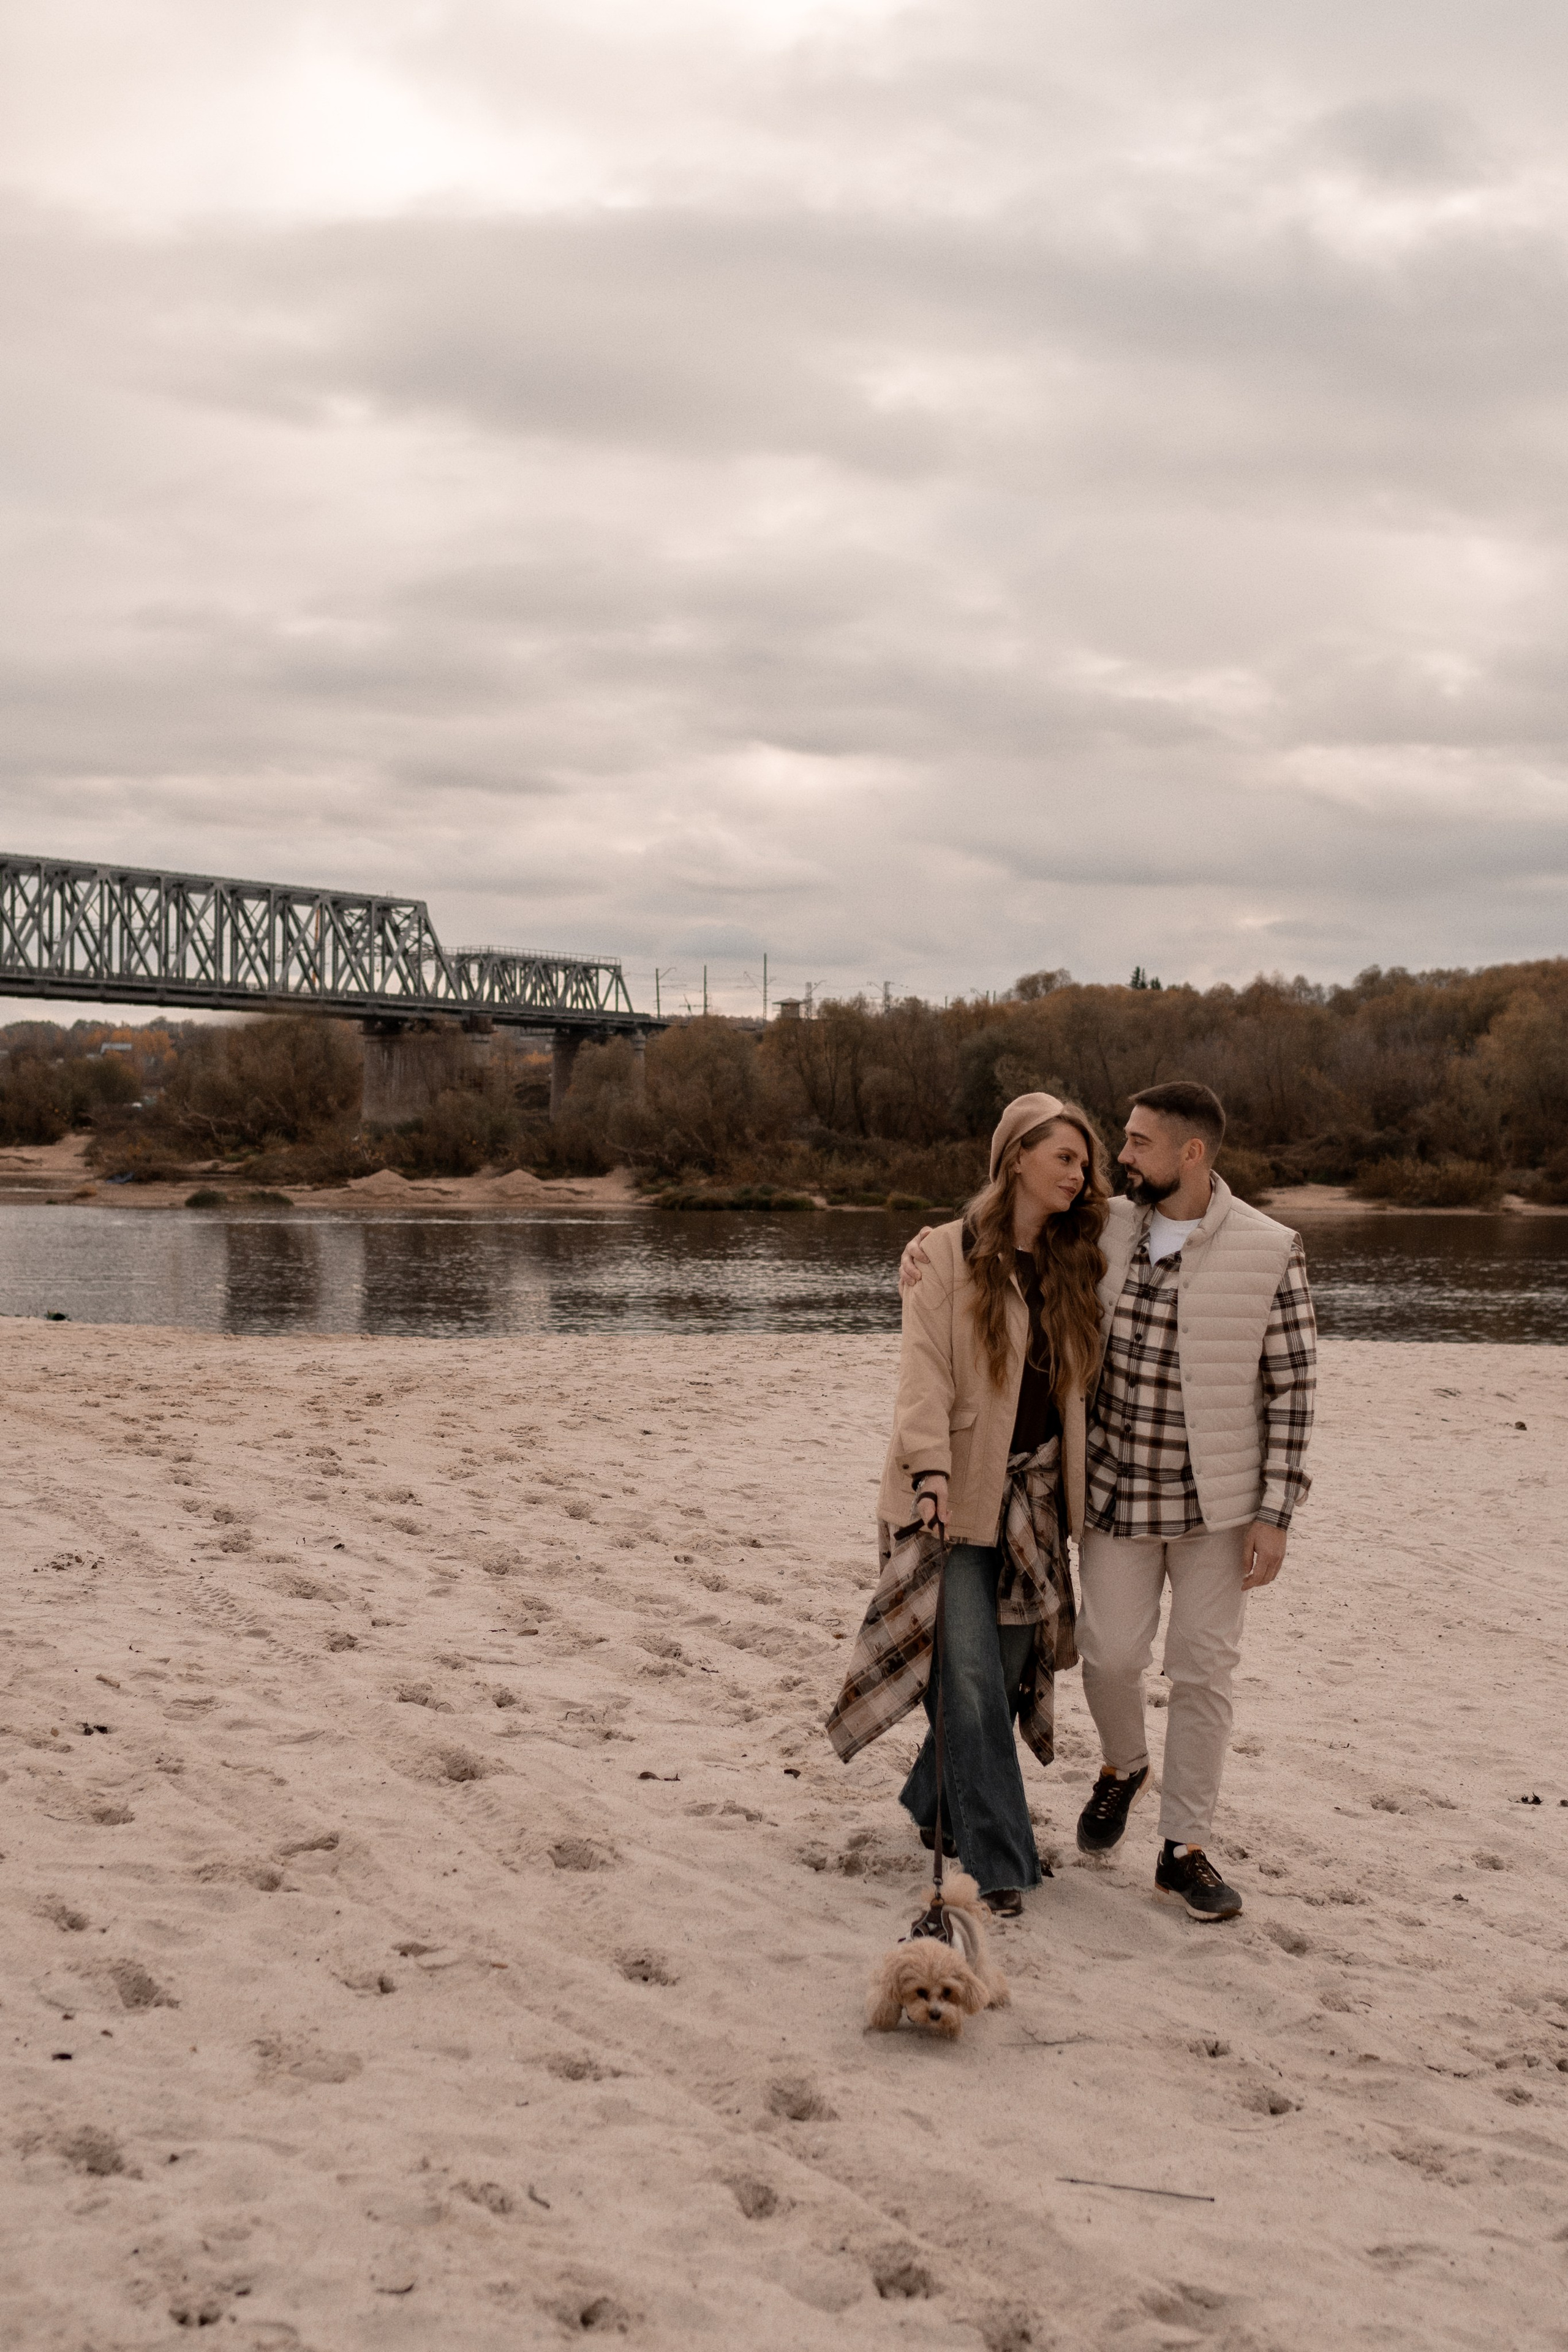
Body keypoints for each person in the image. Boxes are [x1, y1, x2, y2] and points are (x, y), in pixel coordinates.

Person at [900, 1079, 1316, 1923]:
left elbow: (1294, 1389)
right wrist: (921, 1250)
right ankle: (1125, 1765)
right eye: (1114, 1143)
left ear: (1190, 1153)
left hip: (1219, 1509)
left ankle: (1183, 1850)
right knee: (1110, 1656)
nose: (1116, 1159)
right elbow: (1000, 1228)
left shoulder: (1271, 1247)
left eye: (1135, 1143)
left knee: (1203, 1672)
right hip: (1113, 1499)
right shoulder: (1103, 1226)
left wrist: (1276, 1512)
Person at [826, 1093, 1110, 1918]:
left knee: (1006, 1675)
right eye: (1064, 1157)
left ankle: (931, 1799)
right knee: (974, 1678)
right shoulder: (948, 1254)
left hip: (1035, 1504)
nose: (1079, 1173)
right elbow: (923, 1371)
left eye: (1086, 1162)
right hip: (951, 1496)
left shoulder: (1078, 1259)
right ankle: (998, 1861)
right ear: (1017, 1158)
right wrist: (929, 1473)